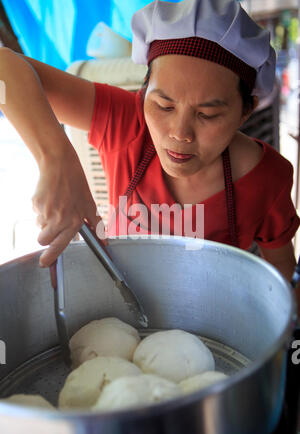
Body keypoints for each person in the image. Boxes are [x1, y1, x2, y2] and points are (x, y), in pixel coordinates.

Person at [0, 0, 299, 298]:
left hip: (211, 323)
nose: (180, 134)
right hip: (121, 307)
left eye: (207, 115)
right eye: (163, 105)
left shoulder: (268, 178)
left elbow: (279, 279)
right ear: (143, 93)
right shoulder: (125, 122)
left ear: (246, 111)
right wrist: (56, 158)